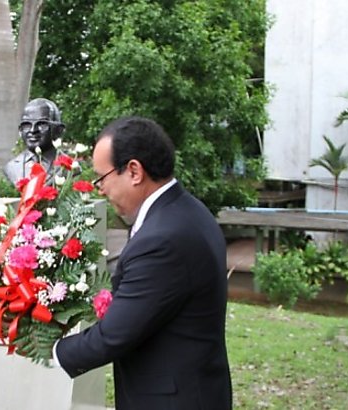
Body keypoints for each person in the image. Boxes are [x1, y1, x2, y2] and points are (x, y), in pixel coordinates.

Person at [53, 116, 232, 409]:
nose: (100, 189)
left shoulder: (162, 239)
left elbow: (113, 335)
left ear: (134, 171)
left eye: (102, 178)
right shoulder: (189, 211)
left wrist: (51, 349)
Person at [3, 98, 66, 184]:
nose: (33, 130)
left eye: (42, 124)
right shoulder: (12, 167)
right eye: (26, 125)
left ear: (59, 130)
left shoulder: (69, 167)